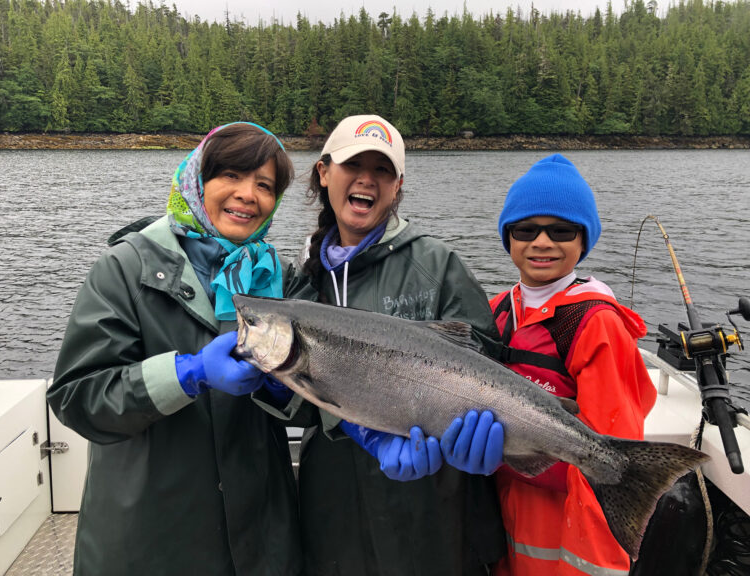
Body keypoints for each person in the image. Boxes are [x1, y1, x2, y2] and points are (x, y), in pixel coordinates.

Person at [46, 122, 303, 576]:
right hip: (147, 540)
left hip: (258, 540)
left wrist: (288, 392)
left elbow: (304, 402)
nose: (248, 194)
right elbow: (77, 397)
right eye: (230, 175)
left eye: (264, 185)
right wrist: (187, 374)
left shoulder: (277, 278)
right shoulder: (124, 268)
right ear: (195, 181)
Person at [280, 114, 508, 575]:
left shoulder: (437, 263)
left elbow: (486, 357)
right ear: (324, 173)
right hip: (332, 506)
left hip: (428, 504)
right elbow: (298, 394)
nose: (367, 178)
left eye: (381, 170)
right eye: (352, 164)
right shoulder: (301, 279)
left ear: (398, 185)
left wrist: (480, 438)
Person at [488, 154, 657, 575]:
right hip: (501, 527)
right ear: (508, 237)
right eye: (525, 229)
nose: (542, 242)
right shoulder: (495, 312)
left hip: (563, 537)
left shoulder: (596, 324)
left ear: (584, 240)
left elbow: (610, 463)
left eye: (561, 230)